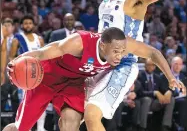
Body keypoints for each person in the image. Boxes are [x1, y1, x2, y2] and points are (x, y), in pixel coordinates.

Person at [3, 28, 185, 131]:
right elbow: (44, 52)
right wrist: (17, 61)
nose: (119, 56)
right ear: (103, 45)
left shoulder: (120, 44)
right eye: (115, 52)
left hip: (73, 84)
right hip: (46, 78)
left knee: (71, 120)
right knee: (19, 128)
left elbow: (153, 52)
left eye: (122, 52)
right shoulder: (78, 42)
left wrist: (170, 77)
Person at [85, 0, 177, 130]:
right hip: (99, 61)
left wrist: (170, 77)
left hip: (122, 64)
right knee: (70, 116)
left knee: (92, 115)